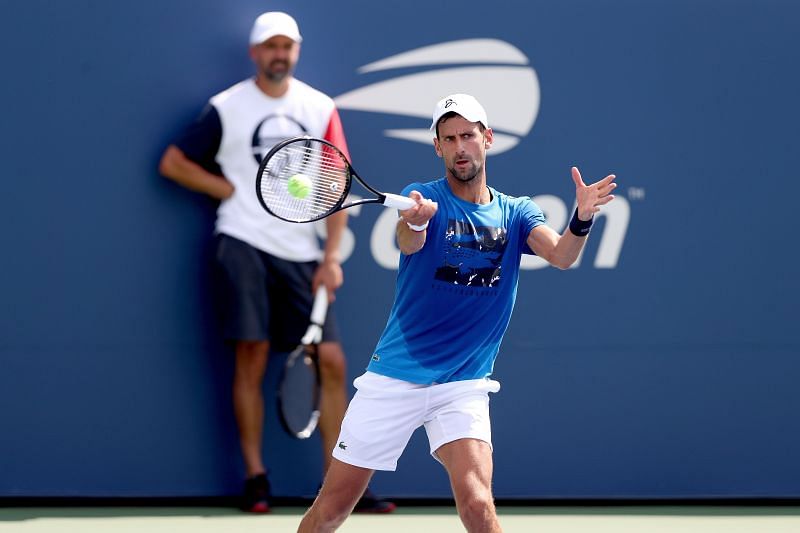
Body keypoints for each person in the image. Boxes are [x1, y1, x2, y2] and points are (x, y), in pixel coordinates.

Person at [297, 93, 617, 532]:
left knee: (478, 504)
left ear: (487, 138)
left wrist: (581, 218)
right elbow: (407, 242)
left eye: (468, 135)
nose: (460, 146)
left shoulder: (517, 211)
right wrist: (415, 222)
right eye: (449, 138)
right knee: (331, 510)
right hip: (394, 377)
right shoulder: (422, 200)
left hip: (462, 383)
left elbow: (562, 256)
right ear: (438, 147)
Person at [158, 11, 394, 514]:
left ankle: (342, 484)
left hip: (302, 255)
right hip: (241, 242)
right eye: (270, 46)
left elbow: (337, 186)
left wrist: (331, 258)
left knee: (330, 361)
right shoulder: (226, 107)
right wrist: (228, 189)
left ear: (297, 51)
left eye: (286, 46)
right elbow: (173, 162)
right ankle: (256, 477)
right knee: (253, 355)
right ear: (255, 53)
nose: (278, 54)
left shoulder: (319, 107)